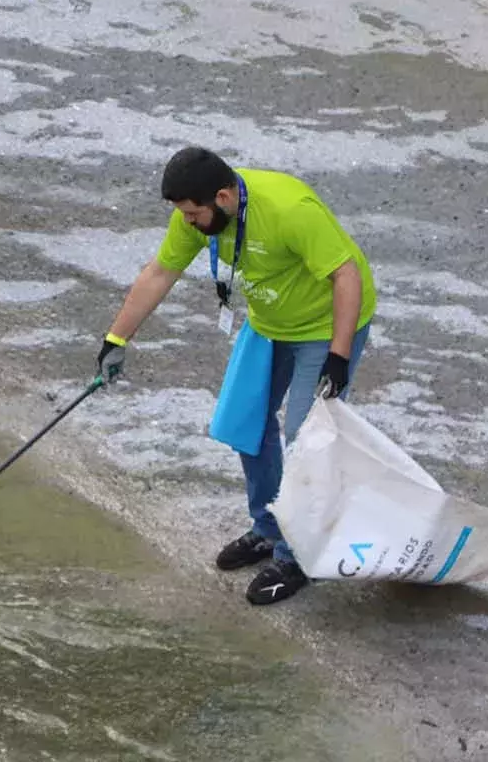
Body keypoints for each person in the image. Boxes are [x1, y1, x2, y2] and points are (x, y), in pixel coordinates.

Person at [97, 147, 376, 606]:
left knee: (307, 440)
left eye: (192, 214)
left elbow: (346, 275)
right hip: (270, 323)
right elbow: (161, 271)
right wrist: (117, 339)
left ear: (224, 197)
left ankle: (297, 555)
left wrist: (338, 356)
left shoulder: (289, 210)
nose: (186, 222)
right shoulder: (198, 212)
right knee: (244, 424)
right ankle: (267, 528)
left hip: (325, 326)